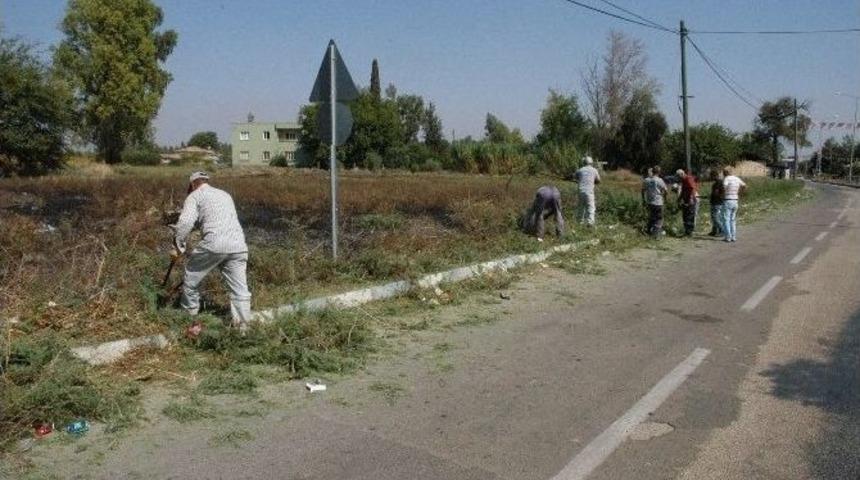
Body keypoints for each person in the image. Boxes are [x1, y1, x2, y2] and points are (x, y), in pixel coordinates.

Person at [173, 171, 252, 331]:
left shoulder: (194, 196)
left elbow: (186, 222)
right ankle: (243, 328)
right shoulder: (225, 194)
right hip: (238, 245)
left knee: (191, 278)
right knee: (240, 289)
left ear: (192, 184)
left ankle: (189, 319)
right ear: (206, 181)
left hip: (215, 243)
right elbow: (226, 218)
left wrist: (178, 244)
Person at [641, 166, 668, 239]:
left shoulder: (646, 180)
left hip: (650, 202)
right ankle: (655, 235)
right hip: (658, 202)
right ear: (659, 172)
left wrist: (643, 200)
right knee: (659, 218)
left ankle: (648, 231)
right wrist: (665, 199)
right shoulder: (660, 180)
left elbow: (643, 190)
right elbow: (665, 191)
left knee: (651, 217)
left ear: (652, 171)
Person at [722, 167, 747, 243]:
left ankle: (728, 237)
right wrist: (740, 193)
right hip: (735, 200)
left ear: (725, 173)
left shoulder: (726, 179)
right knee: (733, 219)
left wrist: (724, 194)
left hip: (728, 200)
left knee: (726, 219)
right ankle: (734, 236)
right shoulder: (737, 178)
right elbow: (744, 185)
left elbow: (724, 187)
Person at [575, 156, 601, 227]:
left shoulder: (580, 170)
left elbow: (575, 177)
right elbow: (598, 181)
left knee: (581, 207)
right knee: (591, 207)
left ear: (584, 162)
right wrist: (593, 181)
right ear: (591, 162)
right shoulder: (594, 170)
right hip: (589, 192)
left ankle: (579, 222)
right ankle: (590, 223)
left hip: (581, 191)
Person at [677, 169, 699, 236]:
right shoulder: (683, 180)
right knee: (685, 215)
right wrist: (679, 199)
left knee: (690, 215)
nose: (678, 178)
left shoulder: (688, 179)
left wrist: (691, 198)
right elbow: (683, 191)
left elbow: (692, 188)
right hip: (686, 199)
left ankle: (690, 231)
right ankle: (687, 231)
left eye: (679, 176)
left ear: (682, 174)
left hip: (691, 199)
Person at [708, 169, 725, 236]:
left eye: (711, 176)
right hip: (717, 202)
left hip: (717, 202)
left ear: (714, 175)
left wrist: (711, 195)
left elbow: (716, 193)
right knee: (714, 217)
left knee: (715, 217)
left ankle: (722, 230)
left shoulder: (718, 183)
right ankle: (714, 231)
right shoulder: (718, 182)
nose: (711, 178)